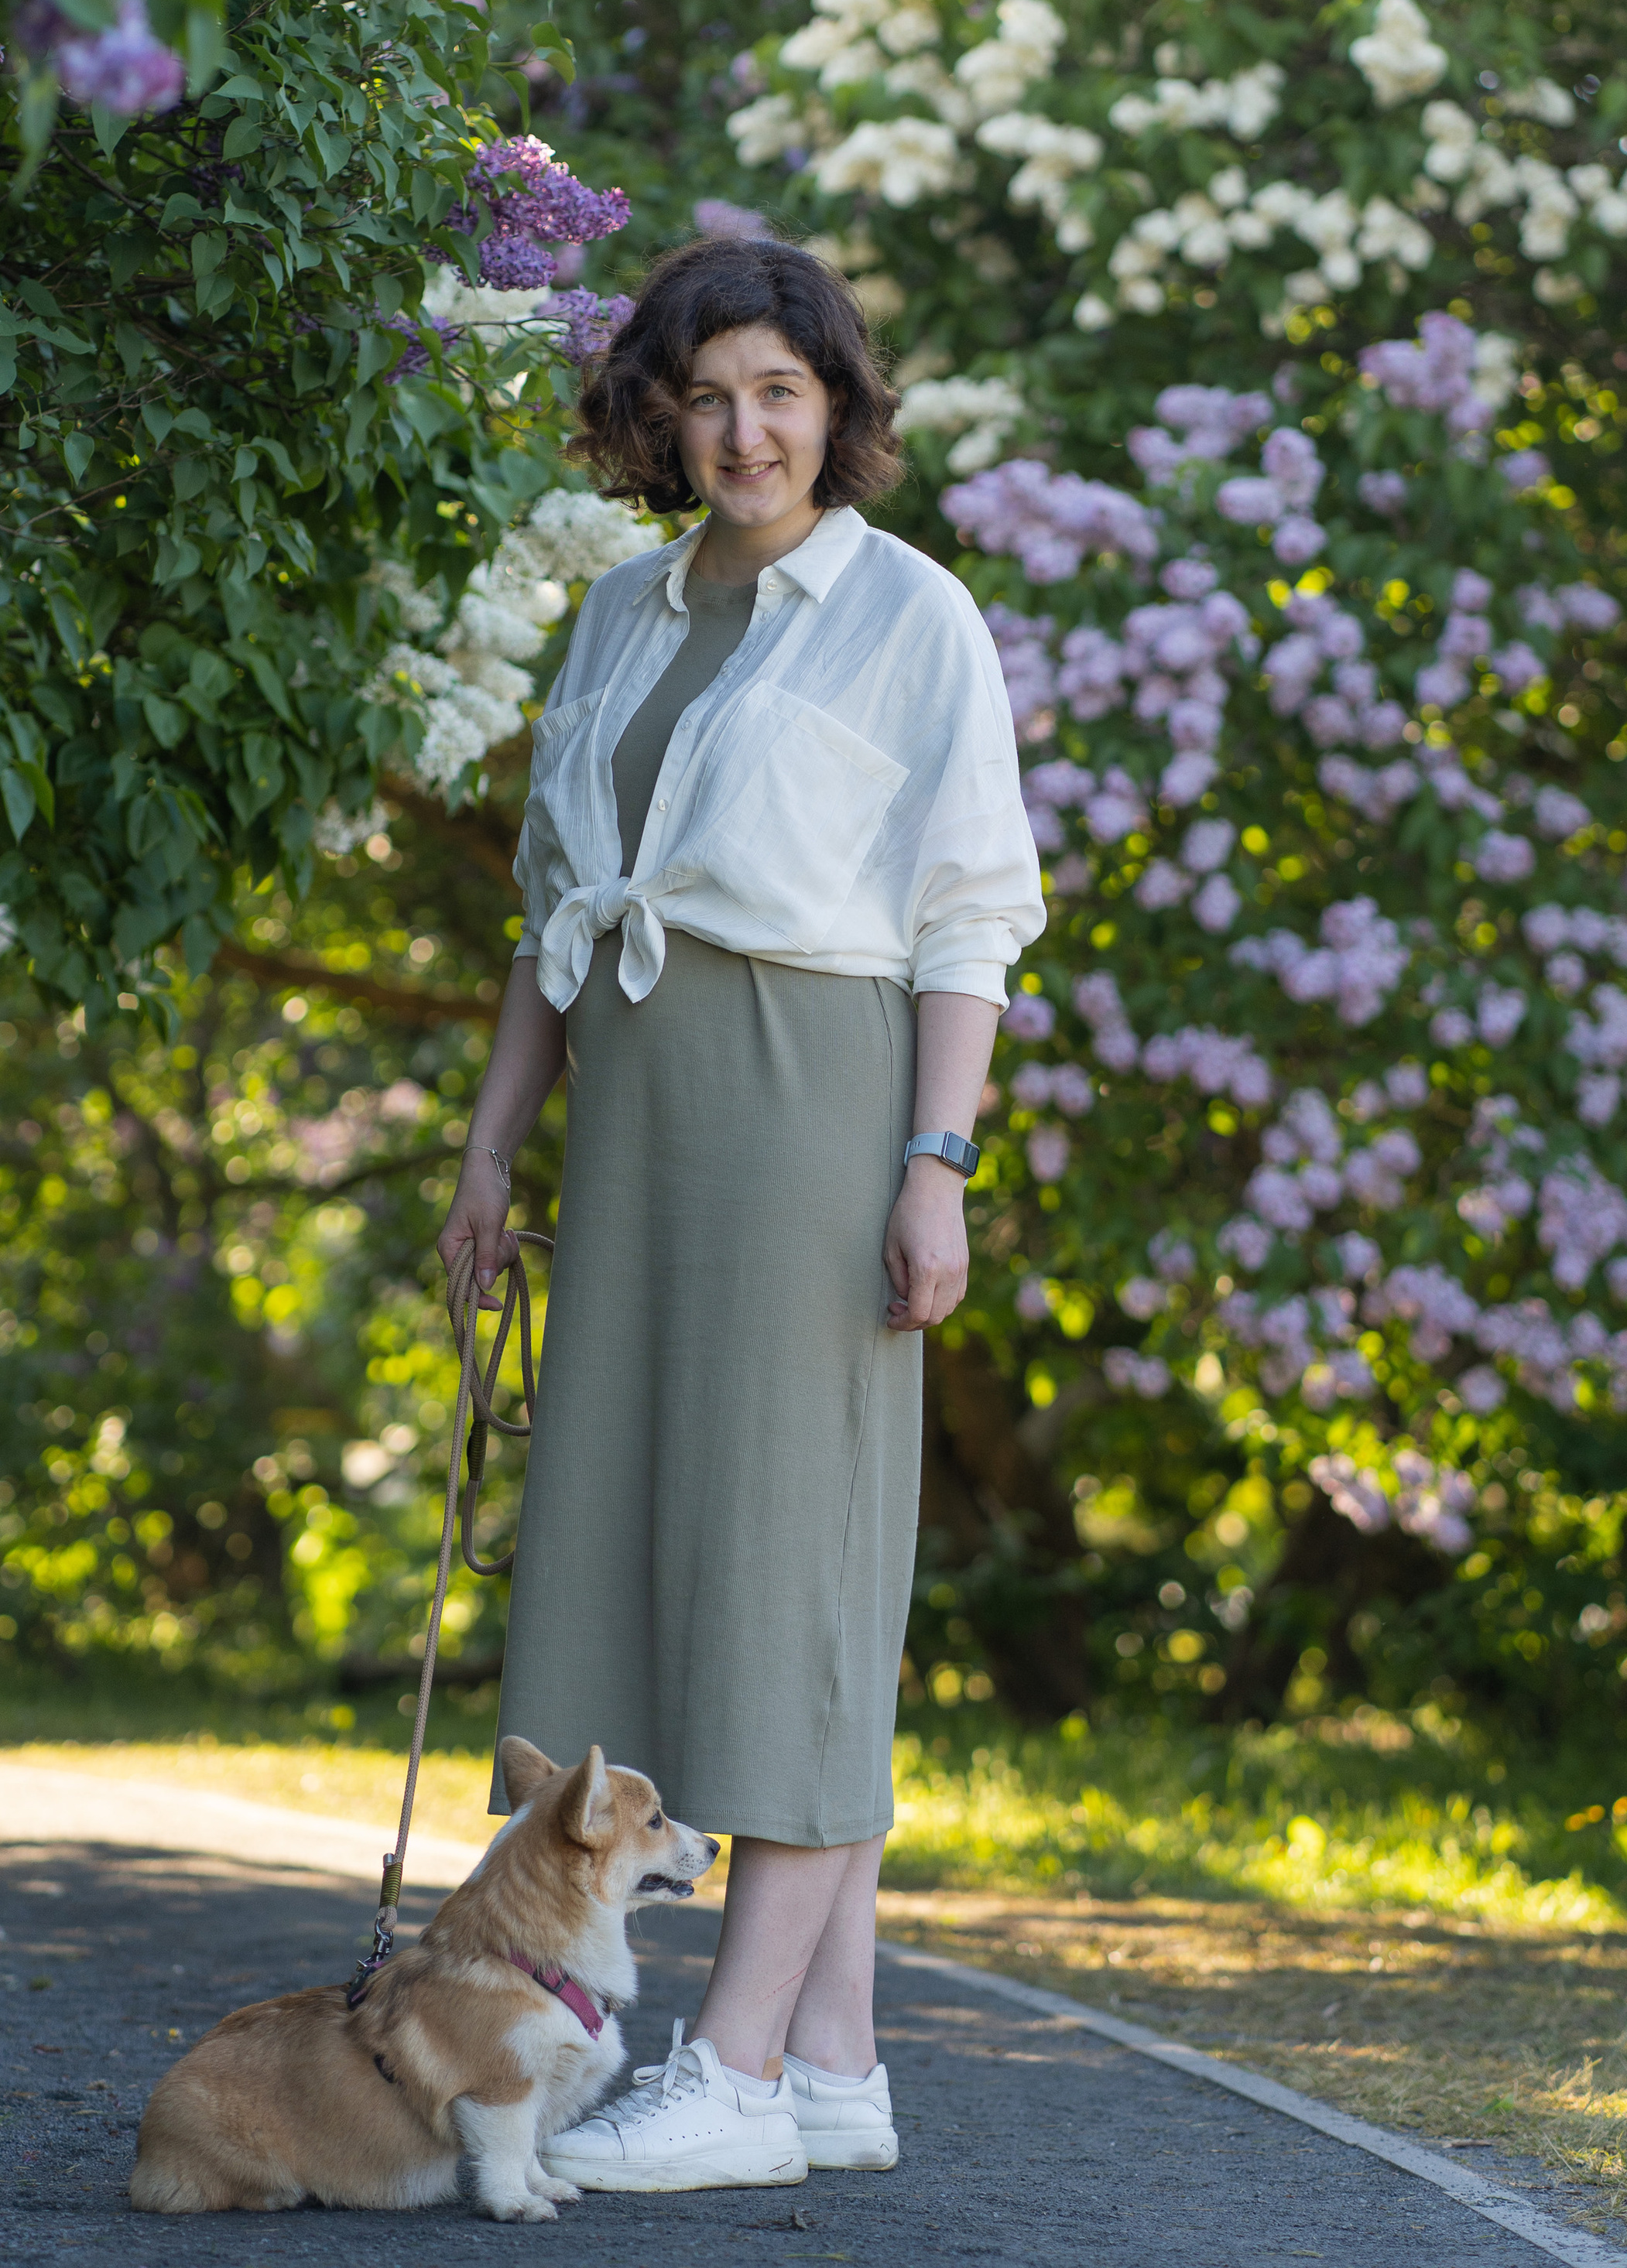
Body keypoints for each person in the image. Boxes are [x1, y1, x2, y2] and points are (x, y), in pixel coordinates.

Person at [435, 234, 1043, 2192]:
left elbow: (967, 911)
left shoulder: (910, 615)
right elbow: (553, 909)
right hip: (633, 1127)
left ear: (835, 408)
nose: (742, 430)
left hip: (811, 1110)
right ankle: (843, 2063)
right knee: (641, 1554)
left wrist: (930, 1164)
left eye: (779, 390)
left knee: (793, 1578)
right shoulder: (616, 614)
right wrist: (487, 1149)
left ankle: (742, 2072)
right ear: (656, 416)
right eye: (704, 395)